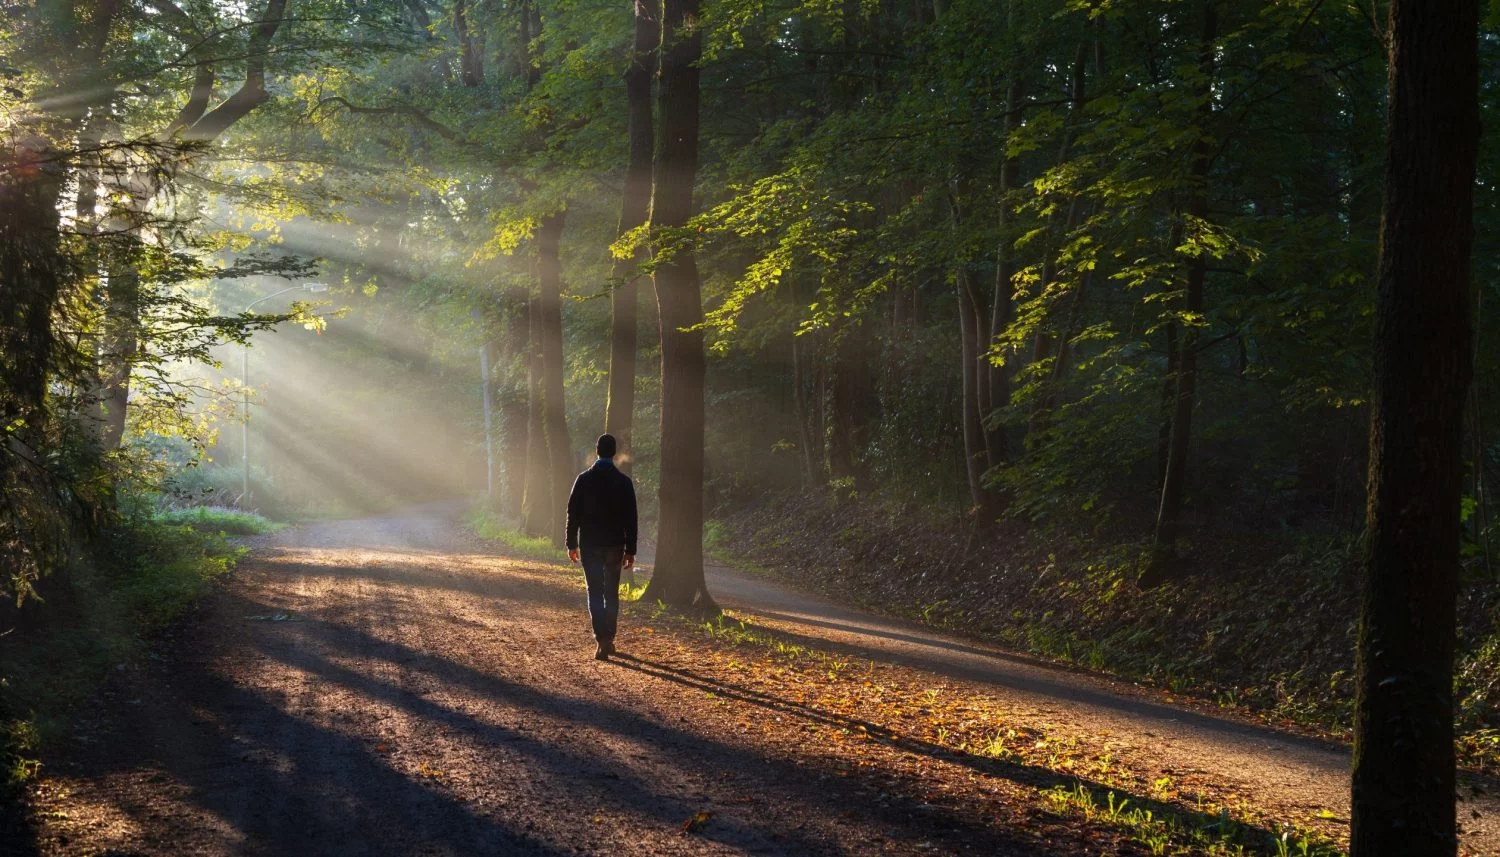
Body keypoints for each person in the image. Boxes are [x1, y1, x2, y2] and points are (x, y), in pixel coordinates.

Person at [565, 434, 638, 660]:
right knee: (611, 593)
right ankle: (609, 637)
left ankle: (601, 639)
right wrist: (631, 549)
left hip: (590, 544)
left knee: (594, 592)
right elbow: (631, 518)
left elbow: (572, 513)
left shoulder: (583, 480)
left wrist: (571, 543)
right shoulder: (623, 482)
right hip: (615, 544)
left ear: (597, 451)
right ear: (614, 453)